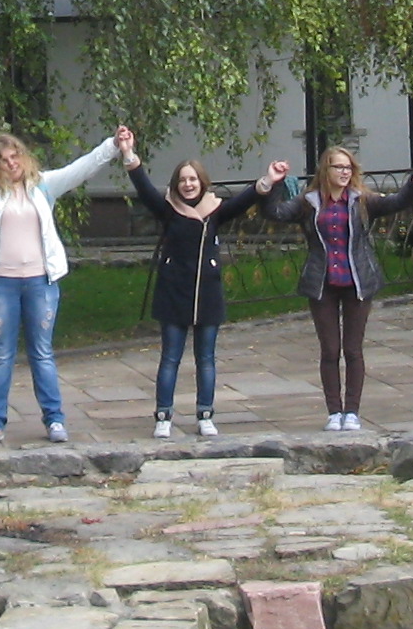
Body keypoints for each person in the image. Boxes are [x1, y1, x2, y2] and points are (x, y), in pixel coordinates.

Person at [0, 98, 125, 446]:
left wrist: (113, 145)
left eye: (14, 156)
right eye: (3, 160)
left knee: (42, 353)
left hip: (40, 282)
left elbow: (82, 167)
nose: (11, 163)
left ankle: (55, 420)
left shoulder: (44, 186)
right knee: (1, 354)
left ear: (23, 156)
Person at [120, 133, 291, 438]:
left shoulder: (214, 209)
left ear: (202, 183)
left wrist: (269, 180)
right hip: (174, 293)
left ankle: (205, 414)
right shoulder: (168, 209)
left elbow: (244, 200)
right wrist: (129, 154)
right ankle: (163, 416)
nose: (188, 184)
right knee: (170, 357)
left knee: (206, 359)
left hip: (207, 295)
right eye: (183, 180)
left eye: (193, 179)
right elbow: (143, 187)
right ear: (176, 184)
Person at [262, 146, 413, 433]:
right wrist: (273, 183)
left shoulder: (361, 200)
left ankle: (352, 411)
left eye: (348, 168)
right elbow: (275, 212)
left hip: (357, 283)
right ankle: (333, 412)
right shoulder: (309, 201)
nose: (344, 172)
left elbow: (396, 202)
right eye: (338, 167)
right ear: (325, 171)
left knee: (353, 349)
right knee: (330, 350)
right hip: (323, 284)